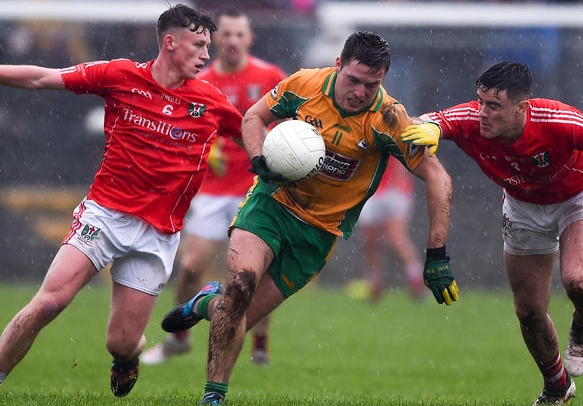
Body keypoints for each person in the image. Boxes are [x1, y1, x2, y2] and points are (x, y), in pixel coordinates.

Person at [0, 4, 243, 397]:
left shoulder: (210, 101)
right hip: (104, 215)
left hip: (158, 234)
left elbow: (253, 136)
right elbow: (41, 78)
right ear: (170, 42)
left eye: (207, 46)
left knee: (123, 343)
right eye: (198, 45)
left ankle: (128, 358)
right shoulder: (120, 75)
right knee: (49, 302)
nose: (206, 55)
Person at [160, 31, 459, 405]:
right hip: (272, 203)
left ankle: (204, 304)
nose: (360, 92)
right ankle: (213, 397)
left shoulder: (388, 118)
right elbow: (253, 117)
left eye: (372, 84)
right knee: (239, 288)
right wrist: (258, 160)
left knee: (237, 318)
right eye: (353, 79)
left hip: (318, 233)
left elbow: (438, 177)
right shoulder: (304, 84)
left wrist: (437, 255)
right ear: (338, 65)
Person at [401, 62, 583, 405]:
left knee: (577, 281)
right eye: (480, 102)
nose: (482, 113)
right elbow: (418, 122)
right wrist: (423, 126)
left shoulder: (558, 120)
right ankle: (557, 388)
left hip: (579, 195)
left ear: (521, 108)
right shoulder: (469, 118)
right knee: (529, 310)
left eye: (493, 106)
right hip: (522, 206)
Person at [141, 10, 287, 366]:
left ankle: (260, 346)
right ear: (216, 41)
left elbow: (288, 132)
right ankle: (179, 338)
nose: (233, 40)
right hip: (212, 188)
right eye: (227, 35)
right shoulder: (200, 80)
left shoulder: (270, 77)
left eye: (240, 34)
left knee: (253, 274)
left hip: (255, 188)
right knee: (191, 265)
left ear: (249, 39)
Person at [355, 159, 424, 302]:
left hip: (395, 187)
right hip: (371, 188)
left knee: (395, 239)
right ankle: (375, 282)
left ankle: (416, 280)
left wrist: (397, 181)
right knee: (370, 241)